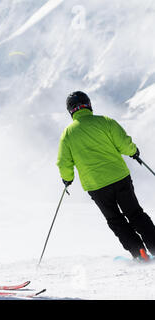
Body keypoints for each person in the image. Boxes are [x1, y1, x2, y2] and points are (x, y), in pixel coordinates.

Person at [57, 91, 155, 261]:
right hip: (119, 177)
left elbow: (64, 162)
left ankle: (139, 254)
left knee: (116, 220)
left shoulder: (68, 134)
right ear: (89, 104)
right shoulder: (104, 122)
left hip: (96, 186)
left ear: (70, 111)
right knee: (135, 214)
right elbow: (124, 144)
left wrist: (67, 178)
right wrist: (134, 152)